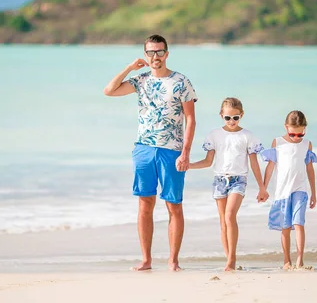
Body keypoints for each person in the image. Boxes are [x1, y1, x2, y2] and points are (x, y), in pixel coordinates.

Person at [103, 34, 198, 272]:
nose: (155, 56)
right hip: (144, 149)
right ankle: (146, 260)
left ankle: (173, 261)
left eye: (159, 51)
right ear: (145, 54)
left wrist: (185, 152)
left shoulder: (181, 81)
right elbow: (109, 91)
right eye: (150, 52)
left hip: (171, 151)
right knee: (145, 203)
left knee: (173, 204)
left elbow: (190, 119)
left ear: (167, 53)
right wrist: (128, 68)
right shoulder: (140, 80)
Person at [184, 97, 269, 271]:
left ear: (241, 115)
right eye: (228, 118)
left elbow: (254, 163)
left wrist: (262, 187)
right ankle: (229, 259)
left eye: (235, 118)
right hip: (219, 180)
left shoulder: (247, 136)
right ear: (221, 115)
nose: (231, 121)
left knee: (230, 216)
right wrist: (189, 166)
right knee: (223, 221)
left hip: (239, 180)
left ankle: (231, 260)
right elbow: (208, 161)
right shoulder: (214, 135)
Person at [261, 110, 317, 270]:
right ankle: (287, 261)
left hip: (300, 190)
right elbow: (270, 168)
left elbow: (310, 169)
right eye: (293, 134)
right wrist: (263, 188)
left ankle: (300, 260)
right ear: (286, 127)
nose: (297, 138)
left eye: (301, 134)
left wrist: (314, 192)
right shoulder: (278, 143)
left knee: (299, 223)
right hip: (282, 192)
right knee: (285, 227)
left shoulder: (307, 144)